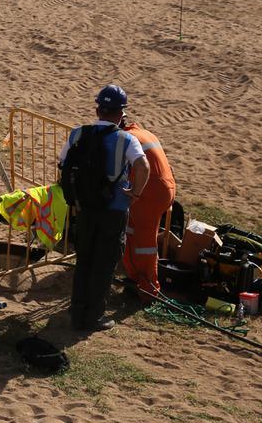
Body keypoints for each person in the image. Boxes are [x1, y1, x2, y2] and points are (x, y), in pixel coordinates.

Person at [59, 84, 150, 332]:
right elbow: (143, 167)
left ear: (98, 109)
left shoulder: (77, 134)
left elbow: (62, 163)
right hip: (114, 209)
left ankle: (77, 311)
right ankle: (94, 316)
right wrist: (136, 194)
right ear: (121, 114)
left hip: (85, 207)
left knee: (85, 260)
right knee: (104, 263)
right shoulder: (126, 138)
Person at [119, 118, 177, 301]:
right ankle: (135, 277)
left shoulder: (126, 138)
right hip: (164, 189)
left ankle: (148, 288)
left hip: (150, 194)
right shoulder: (145, 133)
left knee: (144, 242)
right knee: (132, 231)